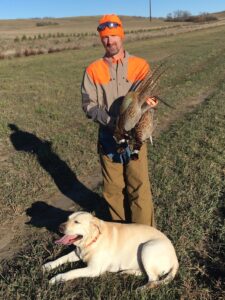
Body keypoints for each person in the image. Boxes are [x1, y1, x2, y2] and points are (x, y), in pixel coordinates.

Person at [81, 14, 158, 226]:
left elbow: (150, 95)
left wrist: (150, 104)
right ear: (101, 39)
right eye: (105, 37)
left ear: (121, 35)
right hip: (108, 137)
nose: (110, 41)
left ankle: (145, 235)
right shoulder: (93, 70)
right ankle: (120, 237)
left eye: (114, 35)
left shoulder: (140, 65)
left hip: (136, 138)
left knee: (138, 187)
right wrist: (112, 121)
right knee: (113, 190)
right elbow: (89, 105)